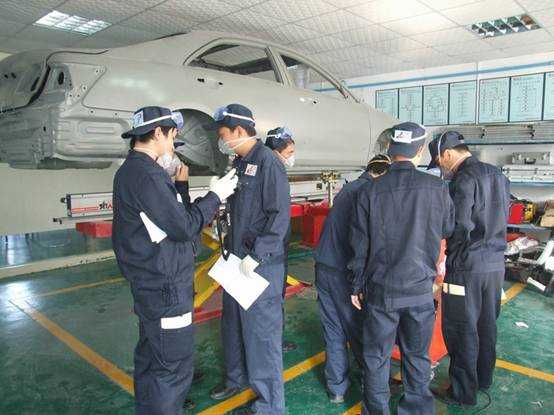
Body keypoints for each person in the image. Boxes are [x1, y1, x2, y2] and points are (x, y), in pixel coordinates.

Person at [112, 106, 238, 415]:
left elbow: (172, 218)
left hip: (151, 285)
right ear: (158, 133)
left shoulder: (131, 171)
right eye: (172, 137)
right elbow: (183, 227)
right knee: (173, 368)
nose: (173, 145)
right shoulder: (147, 176)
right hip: (166, 288)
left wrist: (184, 189)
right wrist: (215, 196)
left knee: (151, 360)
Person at [350, 122, 455, 415]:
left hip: (381, 291)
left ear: (390, 149)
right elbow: (448, 229)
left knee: (376, 357)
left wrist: (356, 285)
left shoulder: (369, 191)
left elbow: (359, 245)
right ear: (420, 151)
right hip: (420, 290)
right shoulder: (437, 188)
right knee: (417, 356)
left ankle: (377, 410)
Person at [207, 104, 291, 415]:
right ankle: (236, 379)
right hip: (236, 260)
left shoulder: (268, 163)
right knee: (232, 325)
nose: (222, 141)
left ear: (240, 131)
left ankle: (269, 406)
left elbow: (279, 216)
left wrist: (258, 254)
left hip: (259, 265)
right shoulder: (240, 163)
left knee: (261, 338)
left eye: (224, 135)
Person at [427, 131, 510, 407]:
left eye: (439, 162)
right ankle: (483, 378)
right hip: (495, 265)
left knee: (461, 328)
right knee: (486, 324)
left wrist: (445, 245)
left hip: (466, 266)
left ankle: (462, 393)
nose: (441, 168)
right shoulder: (497, 175)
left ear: (448, 154)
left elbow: (458, 225)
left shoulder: (462, 180)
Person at [314, 154, 391, 403]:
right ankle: (370, 381)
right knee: (358, 327)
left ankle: (336, 388)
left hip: (323, 265)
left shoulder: (348, 189)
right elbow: (363, 241)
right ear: (383, 173)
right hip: (344, 272)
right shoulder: (368, 192)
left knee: (333, 328)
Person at [265, 126, 297, 352]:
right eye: (290, 152)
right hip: (273, 250)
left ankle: (274, 338)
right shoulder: (274, 171)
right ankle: (273, 340)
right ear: (277, 150)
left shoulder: (272, 169)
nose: (292, 157)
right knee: (274, 297)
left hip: (275, 248)